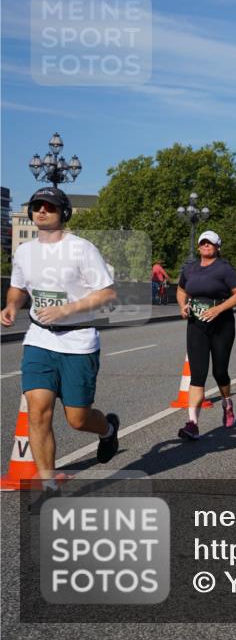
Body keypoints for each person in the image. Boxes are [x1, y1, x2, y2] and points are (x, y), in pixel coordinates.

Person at [1, 187, 121, 496]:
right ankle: (49, 485)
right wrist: (13, 306)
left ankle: (107, 430)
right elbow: (18, 287)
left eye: (49, 207)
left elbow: (108, 293)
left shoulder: (81, 249)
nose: (41, 211)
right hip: (39, 339)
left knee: (77, 419)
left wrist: (67, 309)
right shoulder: (25, 252)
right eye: (37, 206)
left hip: (78, 342)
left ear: (63, 213)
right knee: (38, 409)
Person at [176, 231, 236, 440]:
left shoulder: (224, 268)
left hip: (222, 326)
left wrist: (218, 309)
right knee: (197, 374)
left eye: (210, 243)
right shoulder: (189, 268)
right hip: (196, 325)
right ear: (198, 247)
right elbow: (181, 290)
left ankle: (227, 403)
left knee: (220, 372)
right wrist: (182, 306)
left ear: (217, 247)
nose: (206, 246)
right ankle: (192, 424)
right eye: (203, 243)